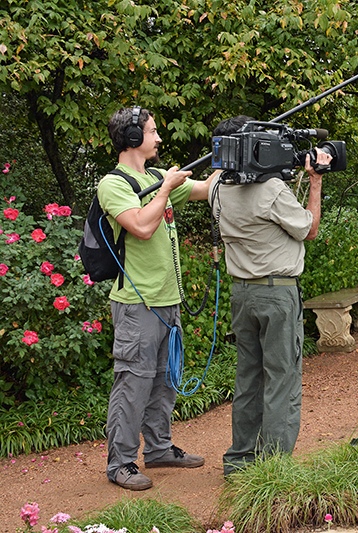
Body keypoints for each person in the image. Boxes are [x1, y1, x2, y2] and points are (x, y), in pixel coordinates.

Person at [207, 115, 331, 477]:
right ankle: (273, 468)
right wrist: (315, 183)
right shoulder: (272, 191)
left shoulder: (218, 188)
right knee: (281, 378)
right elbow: (309, 229)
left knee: (248, 378)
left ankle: (240, 460)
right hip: (277, 295)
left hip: (241, 294)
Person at [98, 106, 214, 490]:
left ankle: (160, 448)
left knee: (165, 380)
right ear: (132, 139)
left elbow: (204, 189)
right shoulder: (112, 185)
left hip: (167, 302)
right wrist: (165, 189)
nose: (159, 138)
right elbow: (141, 227)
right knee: (134, 383)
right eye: (151, 132)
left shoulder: (158, 176)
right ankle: (121, 463)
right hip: (136, 304)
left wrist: (234, 162)